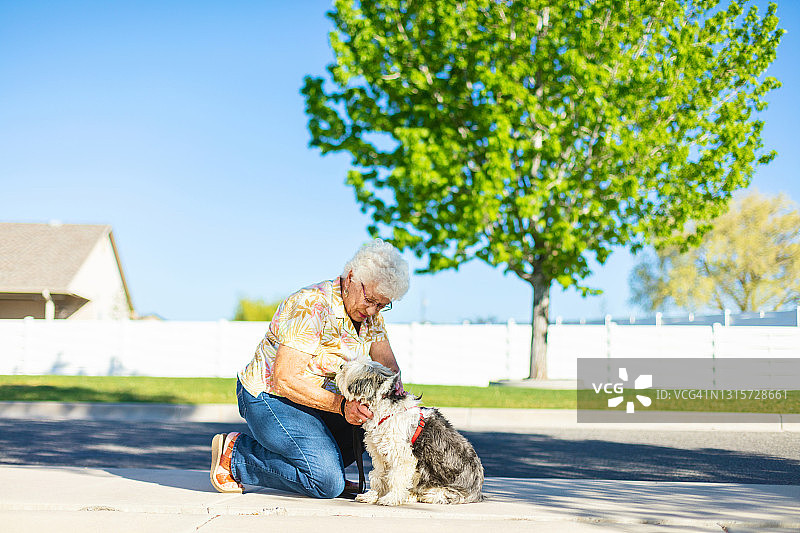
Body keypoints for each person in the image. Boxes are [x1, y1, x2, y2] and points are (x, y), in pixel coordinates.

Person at [210, 238, 409, 499]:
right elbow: (285, 379)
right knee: (327, 484)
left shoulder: (370, 316)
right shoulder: (312, 306)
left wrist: (404, 413)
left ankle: (321, 467)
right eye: (370, 299)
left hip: (315, 401)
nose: (372, 310)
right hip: (271, 398)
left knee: (378, 420)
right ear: (350, 278)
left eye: (382, 305)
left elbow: (389, 370)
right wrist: (341, 406)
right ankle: (237, 455)